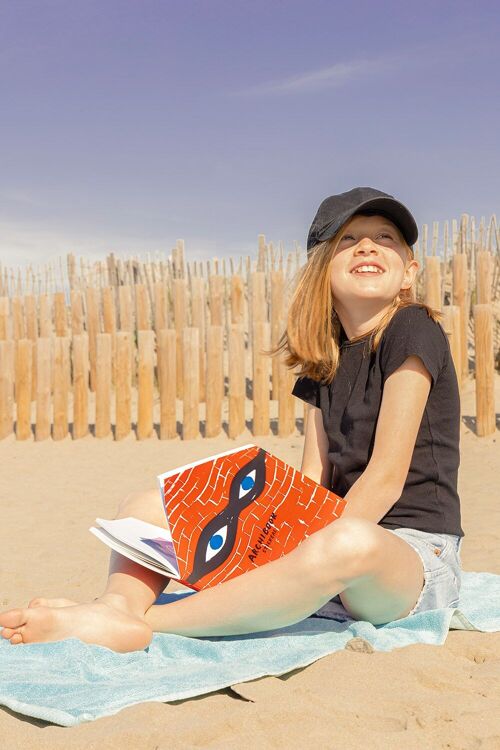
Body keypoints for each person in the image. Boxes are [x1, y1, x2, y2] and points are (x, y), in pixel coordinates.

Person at [0, 186, 463, 653]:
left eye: (385, 237)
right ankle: (116, 605)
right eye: (348, 239)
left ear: (409, 273)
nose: (367, 245)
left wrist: (300, 552)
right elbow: (312, 478)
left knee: (348, 542)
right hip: (330, 549)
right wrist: (276, 536)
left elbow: (384, 479)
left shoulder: (413, 328)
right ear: (322, 272)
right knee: (147, 504)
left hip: (410, 558)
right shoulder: (325, 357)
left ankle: (148, 622)